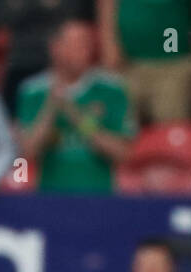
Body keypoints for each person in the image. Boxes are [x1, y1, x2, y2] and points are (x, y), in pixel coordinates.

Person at [15, 17, 133, 193]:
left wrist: (76, 116)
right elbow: (26, 154)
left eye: (87, 44)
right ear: (55, 48)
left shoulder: (111, 89)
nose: (85, 51)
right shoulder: (32, 91)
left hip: (100, 197)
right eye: (76, 45)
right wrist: (51, 109)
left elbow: (123, 153)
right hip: (50, 197)